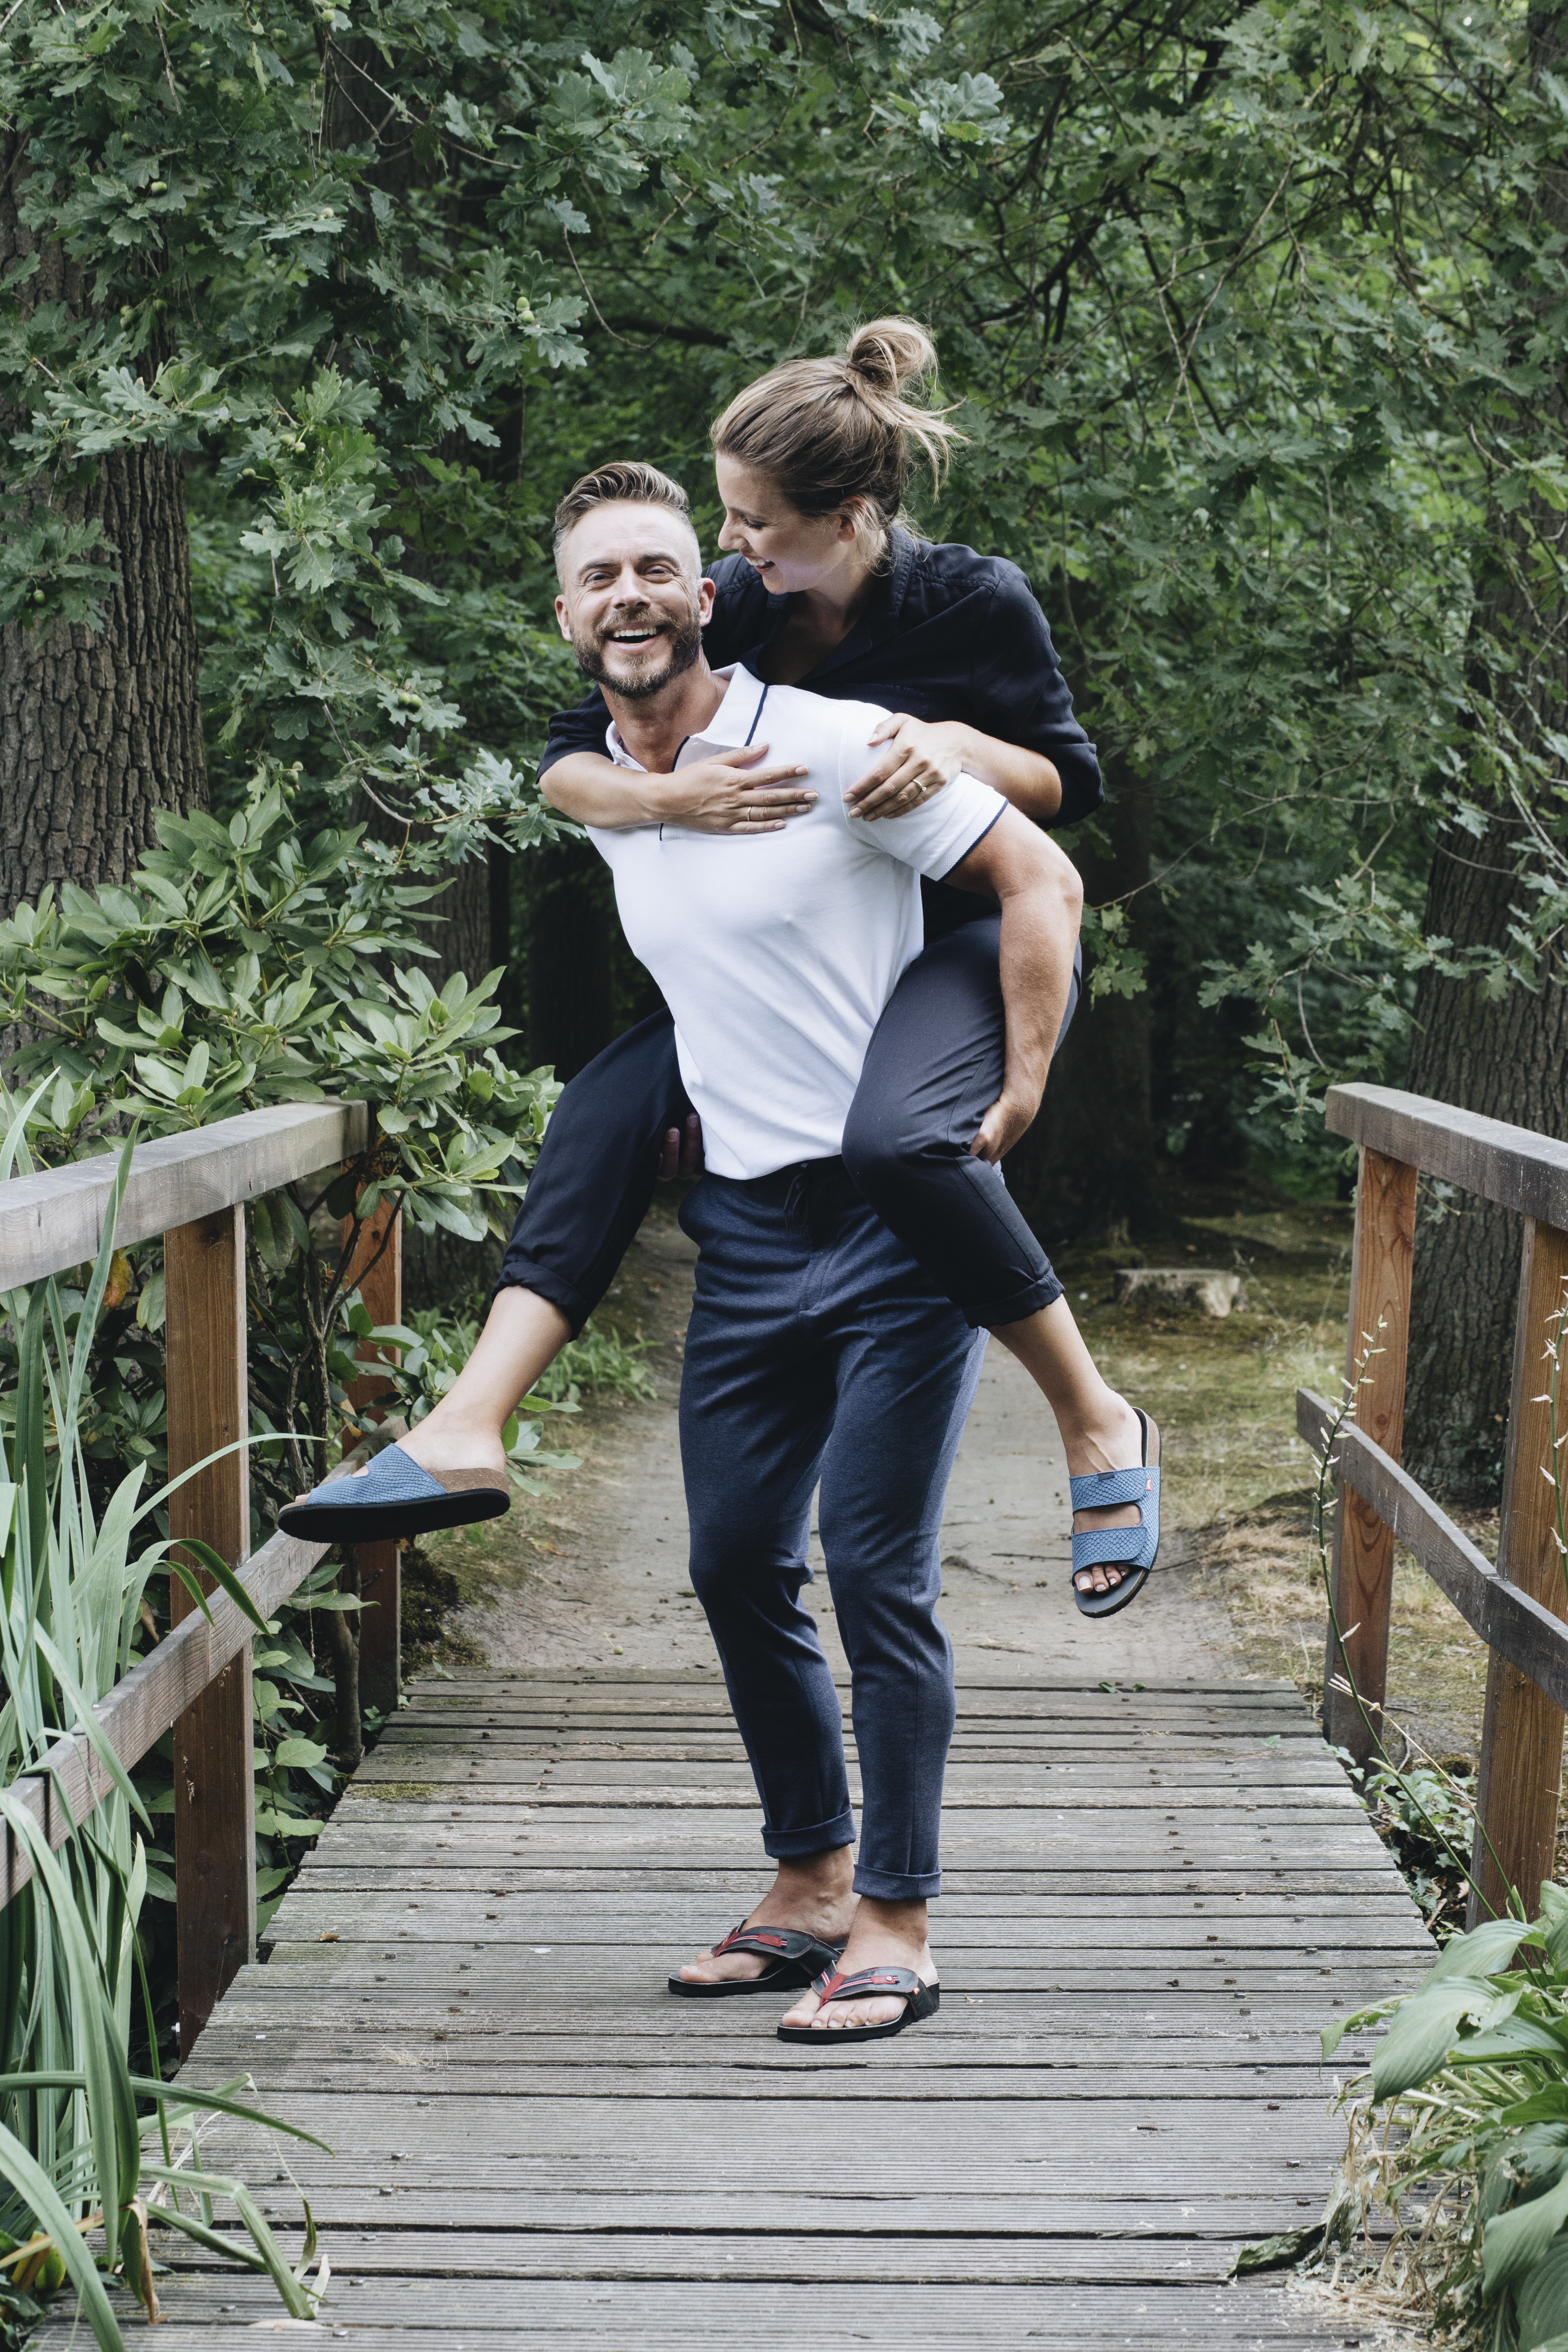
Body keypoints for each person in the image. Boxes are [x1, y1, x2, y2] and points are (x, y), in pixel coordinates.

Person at [281, 322, 1159, 1617]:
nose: (734, 548)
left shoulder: (977, 601)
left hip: (966, 937)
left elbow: (1066, 793)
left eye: (754, 523)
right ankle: (467, 1425)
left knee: (900, 1142)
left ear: (848, 518)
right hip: (804, 948)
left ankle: (1097, 1421)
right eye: (730, 522)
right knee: (602, 1112)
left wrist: (950, 743)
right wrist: (664, 810)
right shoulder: (738, 598)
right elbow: (570, 757)